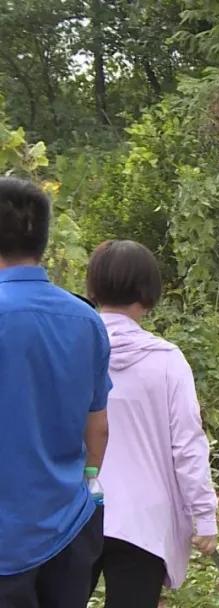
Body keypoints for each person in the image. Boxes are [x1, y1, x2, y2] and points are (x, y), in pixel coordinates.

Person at [85, 239, 218, 606]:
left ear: (93, 288)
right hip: (143, 521)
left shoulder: (73, 350)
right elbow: (188, 446)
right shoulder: (165, 361)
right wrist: (204, 518)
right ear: (149, 292)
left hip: (74, 510)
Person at [0, 177, 111, 606]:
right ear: (43, 239)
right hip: (68, 527)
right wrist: (88, 482)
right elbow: (98, 428)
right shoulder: (84, 319)